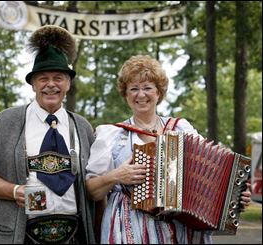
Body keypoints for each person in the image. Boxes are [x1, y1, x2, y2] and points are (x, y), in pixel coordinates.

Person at [85, 55, 252, 244]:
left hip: (182, 231)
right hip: (130, 229)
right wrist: (116, 176)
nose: (141, 95)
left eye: (147, 88)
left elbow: (211, 178)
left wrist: (236, 196)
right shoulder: (111, 134)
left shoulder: (181, 128)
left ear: (158, 92)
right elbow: (91, 192)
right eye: (133, 89)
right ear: (125, 94)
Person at [0, 25, 96, 244]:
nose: (50, 85)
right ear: (32, 84)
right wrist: (15, 191)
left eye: (58, 78)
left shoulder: (83, 127)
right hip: (21, 235)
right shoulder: (6, 121)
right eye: (43, 78)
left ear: (68, 83)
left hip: (74, 235)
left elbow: (94, 185)